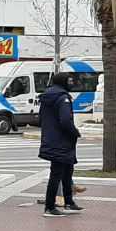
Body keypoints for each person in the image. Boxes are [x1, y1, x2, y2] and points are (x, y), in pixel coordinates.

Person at [39, 73, 82, 217]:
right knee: (57, 173)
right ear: (63, 82)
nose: (71, 82)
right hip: (62, 140)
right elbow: (65, 120)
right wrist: (75, 132)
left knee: (67, 171)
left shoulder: (47, 96)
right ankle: (49, 206)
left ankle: (69, 202)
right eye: (69, 80)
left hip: (52, 138)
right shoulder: (63, 98)